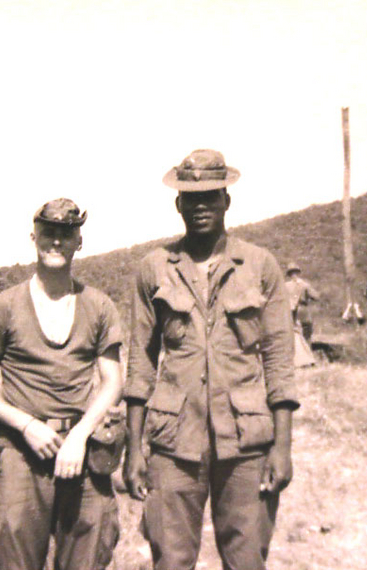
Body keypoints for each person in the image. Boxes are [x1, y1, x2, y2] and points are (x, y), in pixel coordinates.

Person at [123, 149, 299, 570]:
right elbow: (140, 364)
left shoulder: (259, 266)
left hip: (246, 442)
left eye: (210, 196)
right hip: (172, 443)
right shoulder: (154, 268)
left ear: (227, 200)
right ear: (178, 203)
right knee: (171, 559)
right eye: (191, 197)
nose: (201, 206)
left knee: (246, 559)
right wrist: (133, 449)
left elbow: (279, 360)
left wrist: (283, 446)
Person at [0, 198, 124, 570]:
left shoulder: (99, 306)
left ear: (78, 241)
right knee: (13, 551)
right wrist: (27, 425)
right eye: (49, 233)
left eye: (66, 234)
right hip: (23, 449)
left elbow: (113, 381)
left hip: (81, 449)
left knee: (91, 547)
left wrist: (81, 435)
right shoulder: (2, 307)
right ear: (33, 236)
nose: (56, 242)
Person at [284, 261, 320, 343]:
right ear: (298, 273)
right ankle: (308, 351)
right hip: (303, 311)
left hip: (290, 313)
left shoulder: (285, 286)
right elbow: (316, 297)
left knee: (291, 334)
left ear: (289, 274)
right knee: (306, 334)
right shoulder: (304, 285)